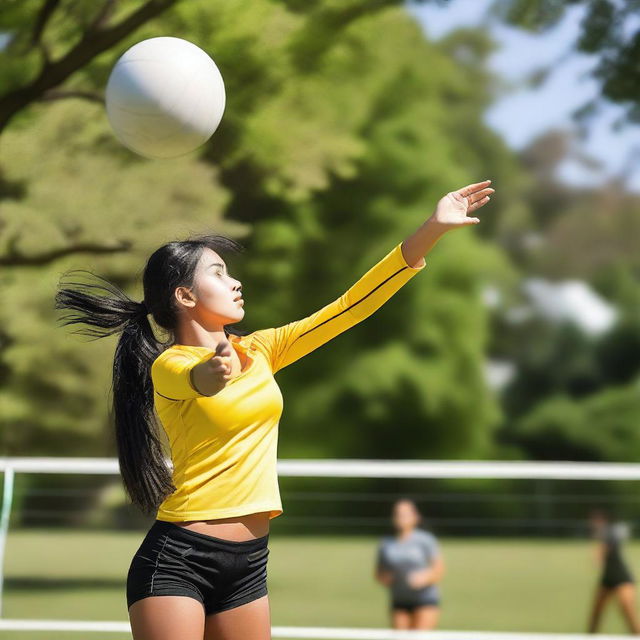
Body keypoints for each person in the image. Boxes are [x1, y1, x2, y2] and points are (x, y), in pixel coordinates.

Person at [55, 180, 493, 640]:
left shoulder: (262, 349)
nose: (235, 281)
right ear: (185, 297)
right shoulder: (171, 363)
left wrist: (432, 229)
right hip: (178, 560)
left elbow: (349, 308)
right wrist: (214, 373)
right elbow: (196, 380)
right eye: (219, 274)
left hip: (248, 567)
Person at [375, 498, 444, 631]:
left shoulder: (425, 540)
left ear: (416, 517)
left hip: (425, 598)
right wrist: (387, 578)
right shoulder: (386, 543)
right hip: (399, 599)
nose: (401, 518)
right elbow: (378, 573)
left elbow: (439, 569)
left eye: (405, 514)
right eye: (398, 514)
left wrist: (424, 578)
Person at [588, 508, 640, 635]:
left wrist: (598, 557)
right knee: (596, 613)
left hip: (622, 577)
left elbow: (603, 548)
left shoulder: (608, 532)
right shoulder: (607, 532)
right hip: (607, 578)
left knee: (627, 610)